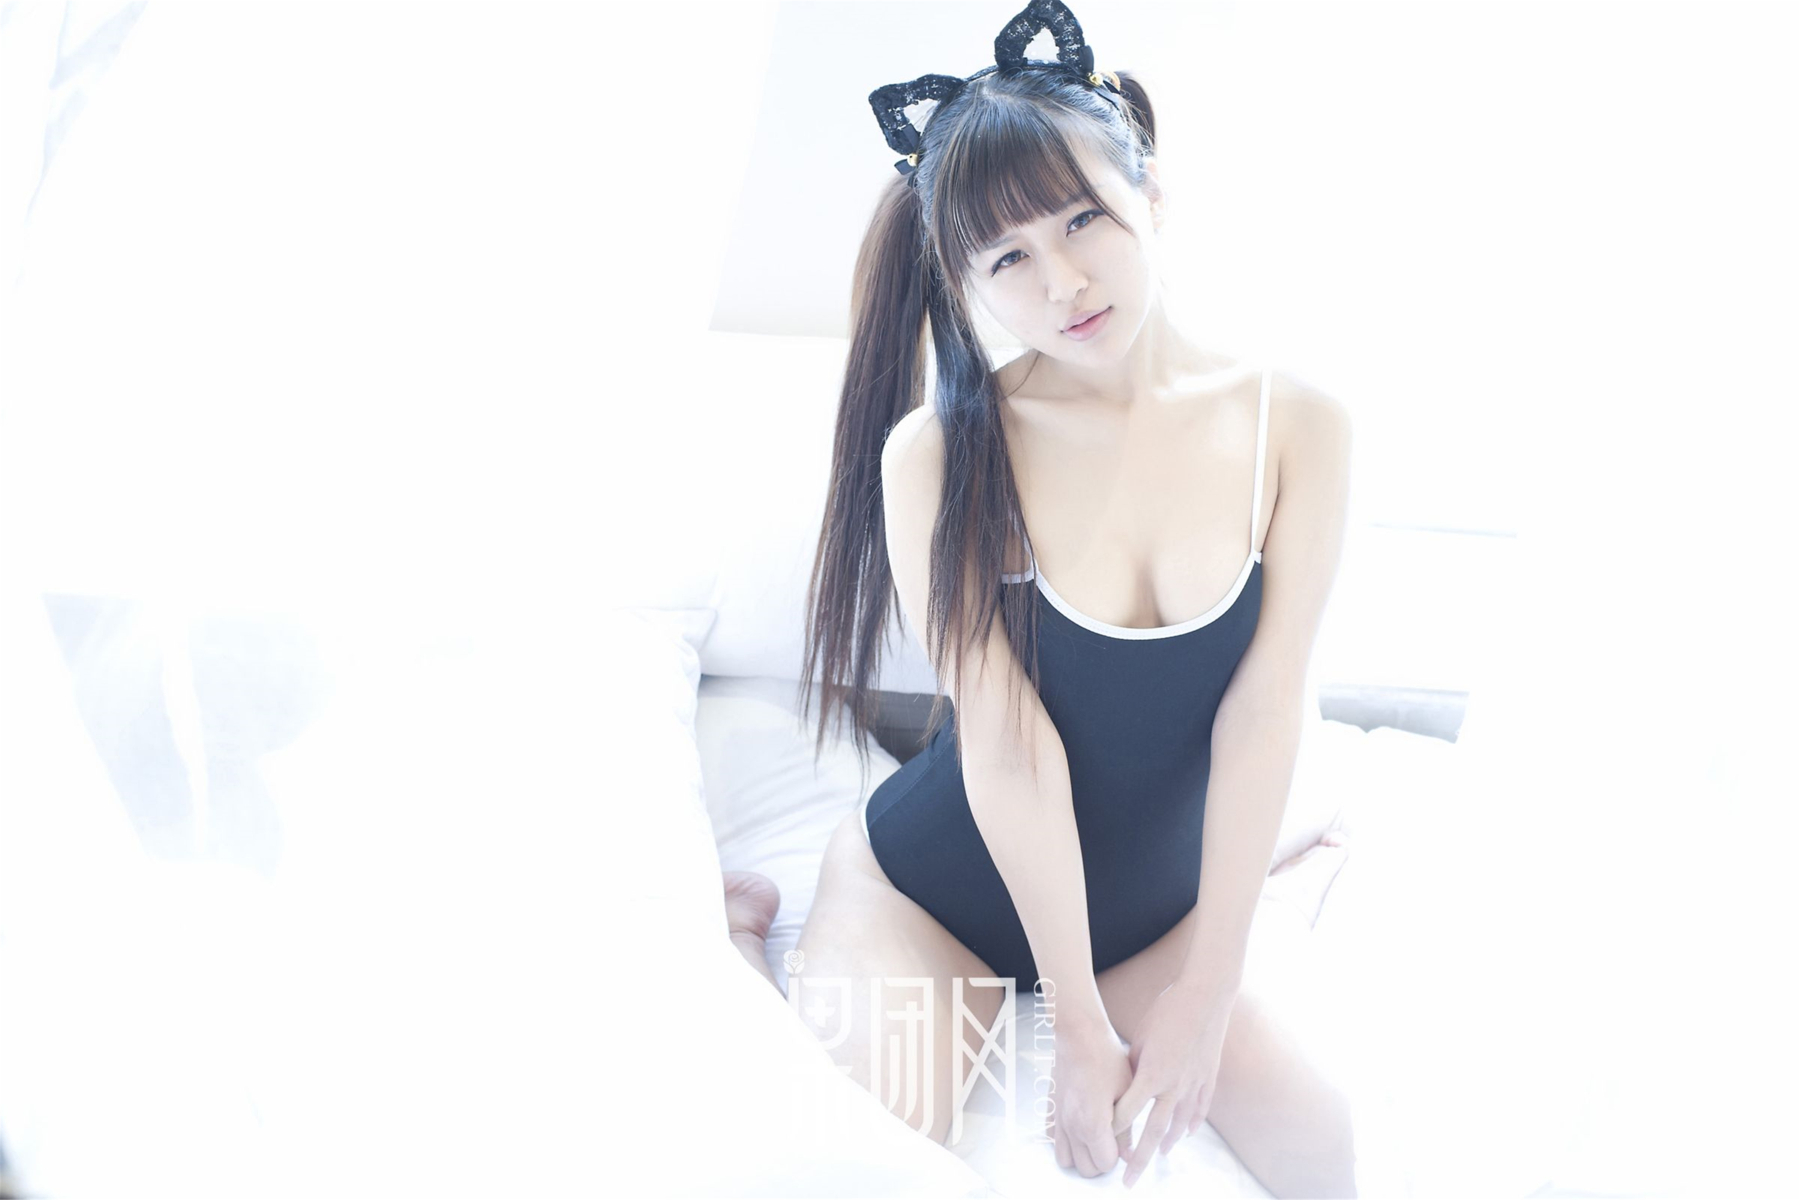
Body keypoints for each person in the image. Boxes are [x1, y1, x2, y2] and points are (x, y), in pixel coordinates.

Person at [720, 1, 1355, 1194]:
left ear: (1149, 191)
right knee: (846, 1166)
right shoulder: (941, 454)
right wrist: (1073, 1026)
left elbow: (1266, 710)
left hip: (1153, 916)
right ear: (963, 282)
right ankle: (747, 937)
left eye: (1081, 218)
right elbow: (1007, 745)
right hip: (937, 896)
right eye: (1007, 257)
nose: (1062, 280)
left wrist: (1208, 989)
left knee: (1335, 1158)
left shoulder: (1300, 428)